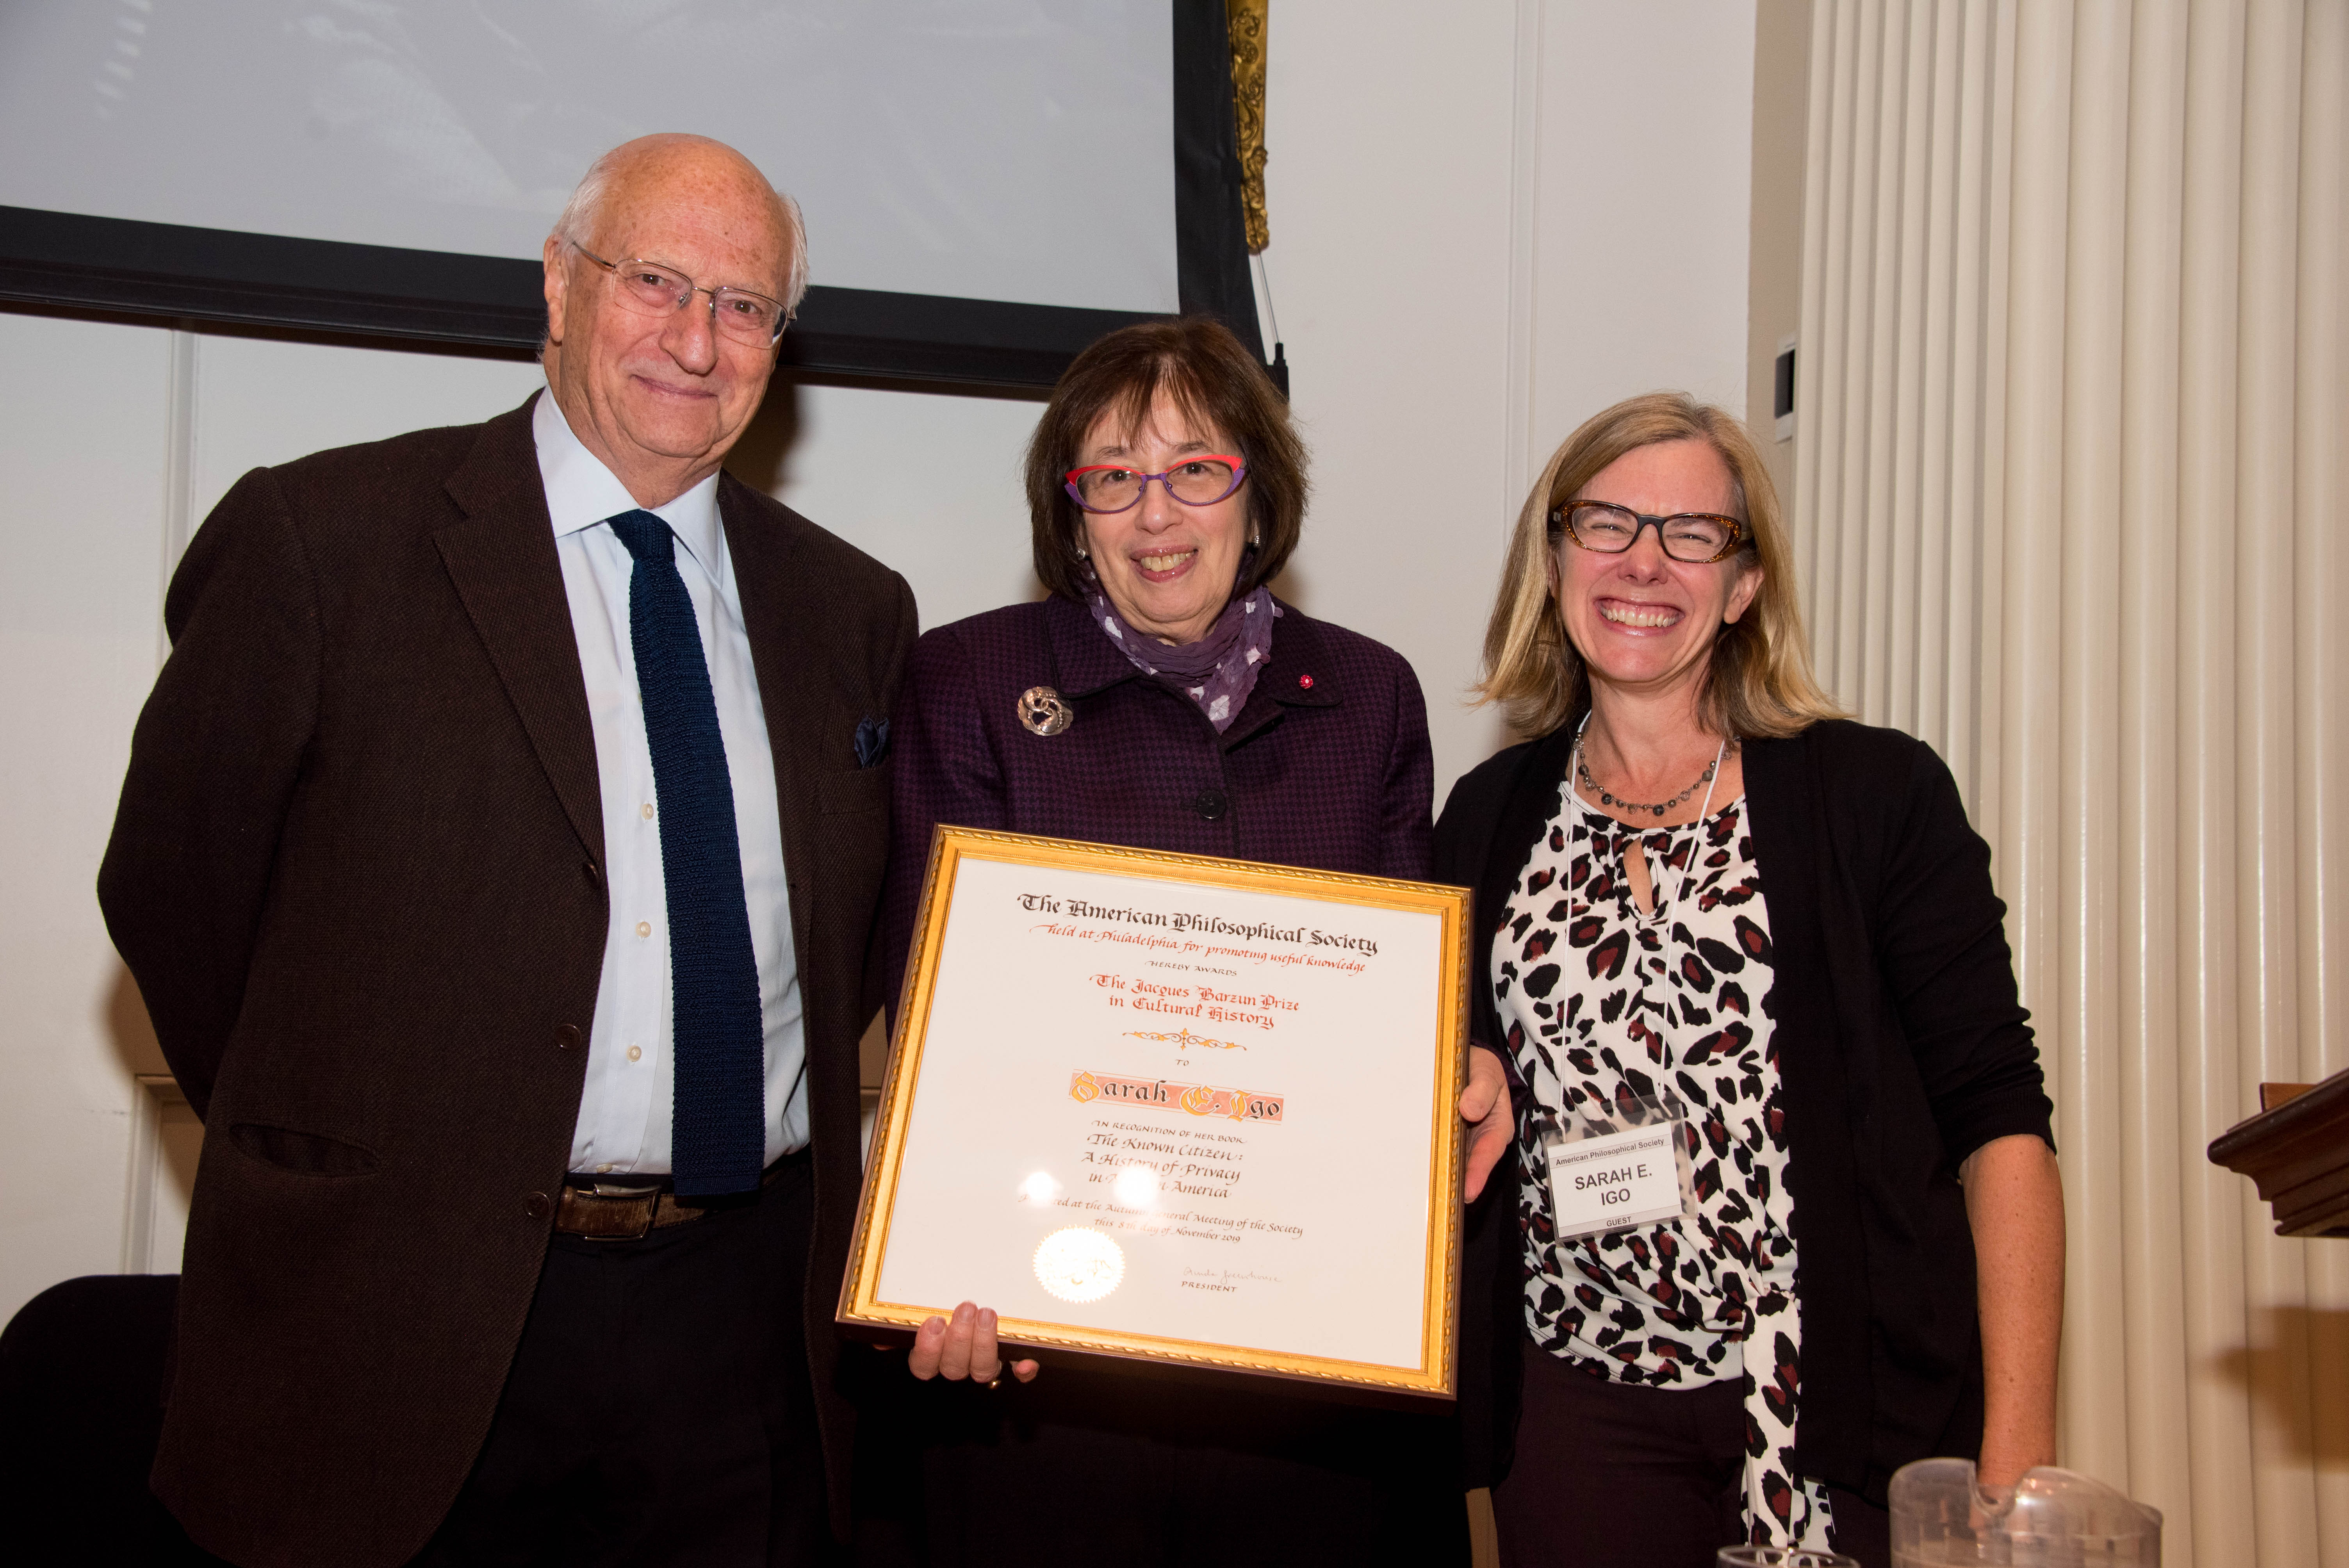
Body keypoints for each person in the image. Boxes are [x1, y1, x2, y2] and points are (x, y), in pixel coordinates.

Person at [97, 134, 915, 1568]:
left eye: (743, 306)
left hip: (741, 1328)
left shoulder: (850, 610)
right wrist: (362, 1149)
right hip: (398, 1313)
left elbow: (848, 953)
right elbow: (175, 896)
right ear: (558, 282)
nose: (695, 339)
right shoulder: (324, 542)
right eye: (656, 279)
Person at [854, 316, 1470, 1566]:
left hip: (1309, 1372)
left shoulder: (1372, 694)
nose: (1157, 512)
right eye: (1114, 477)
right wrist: (948, 1254)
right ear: (1069, 510)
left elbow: (1410, 1003)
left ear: (1258, 488)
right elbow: (934, 1002)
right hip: (1045, 1363)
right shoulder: (968, 679)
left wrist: (1464, 1062)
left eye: (1197, 467)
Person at [1436, 393, 2064, 1568]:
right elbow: (1453, 1090)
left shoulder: (1876, 797)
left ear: (1744, 585)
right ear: (1556, 556)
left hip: (1842, 1394)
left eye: (1693, 534)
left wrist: (2015, 1455)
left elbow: (1999, 1121)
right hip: (1575, 1404)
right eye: (1607, 522)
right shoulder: (1486, 817)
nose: (1643, 562)